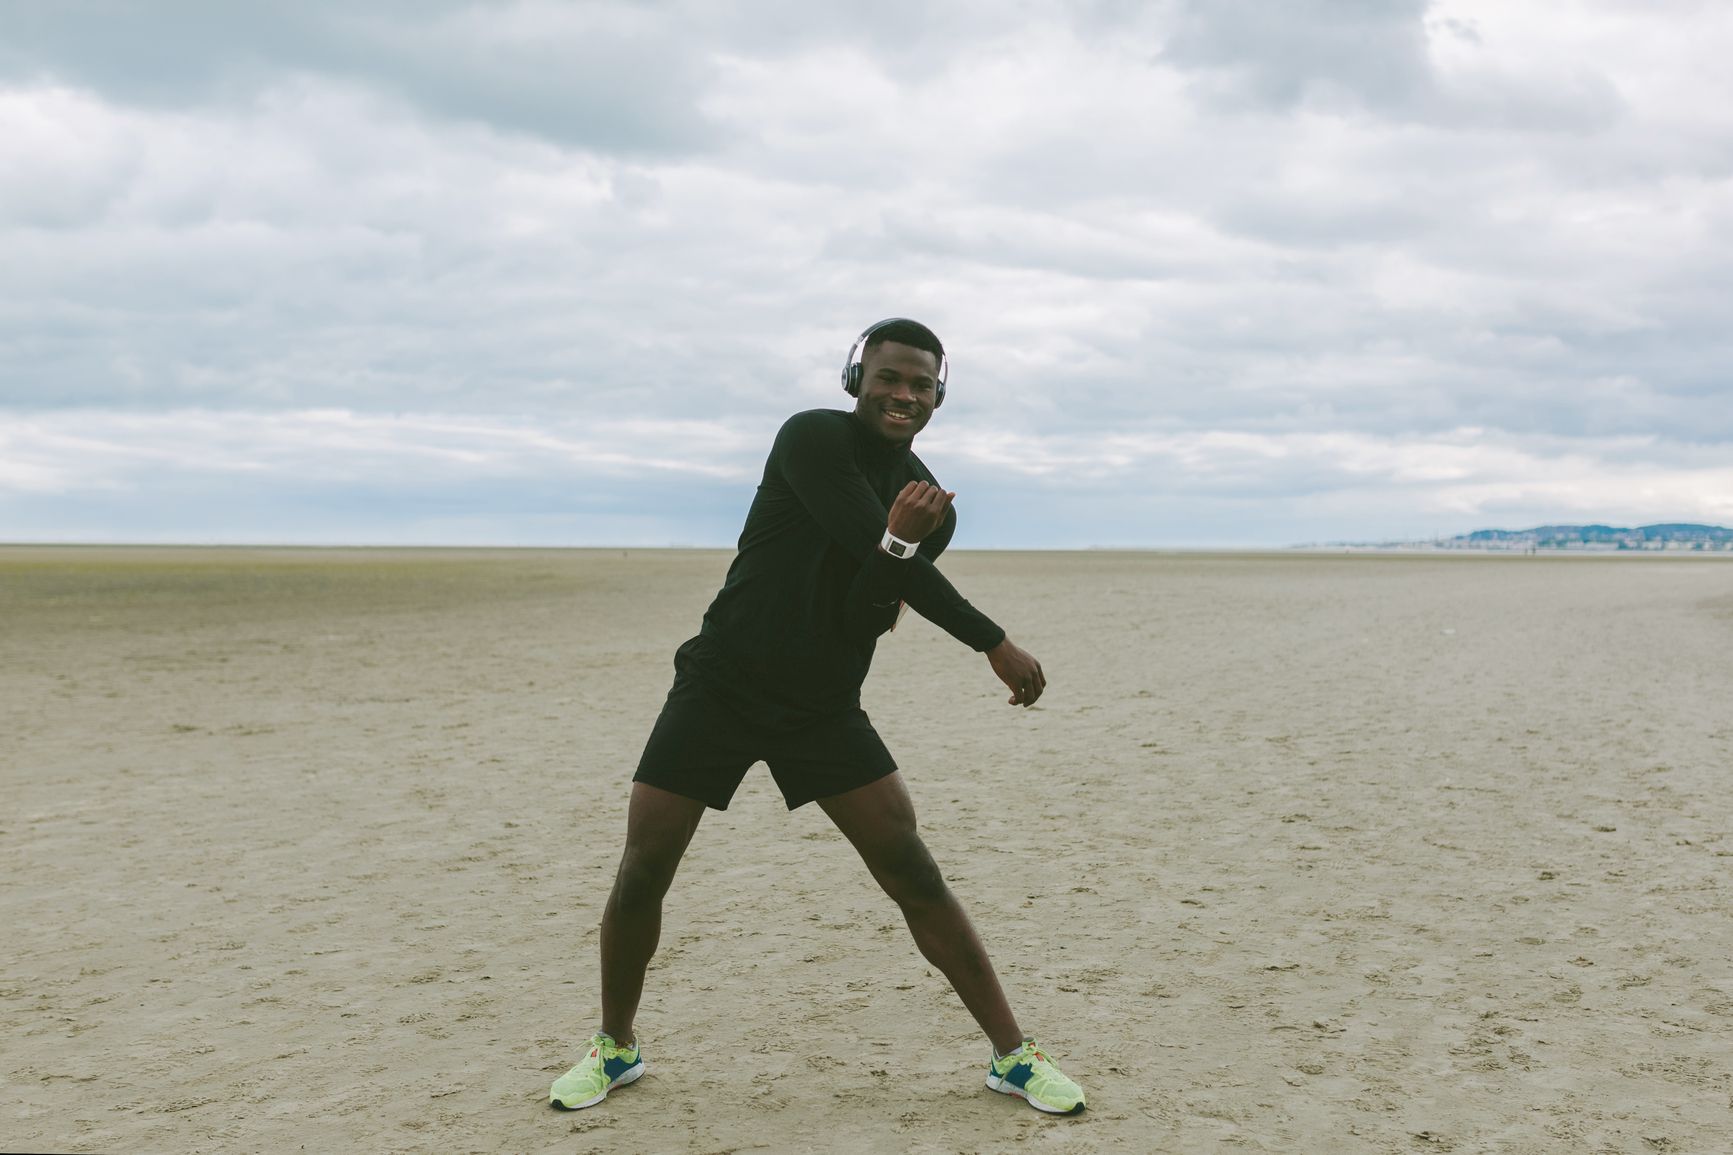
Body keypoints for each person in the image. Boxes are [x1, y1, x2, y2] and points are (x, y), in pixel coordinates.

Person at [549, 318, 1086, 1116]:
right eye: (888, 377)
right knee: (643, 869)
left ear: (939, 396)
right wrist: (990, 640)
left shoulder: (927, 501)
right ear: (854, 378)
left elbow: (866, 605)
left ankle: (1013, 1056)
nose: (902, 394)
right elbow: (856, 535)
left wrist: (903, 547)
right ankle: (614, 1046)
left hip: (821, 706)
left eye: (920, 384)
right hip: (718, 688)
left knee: (911, 870)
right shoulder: (810, 440)